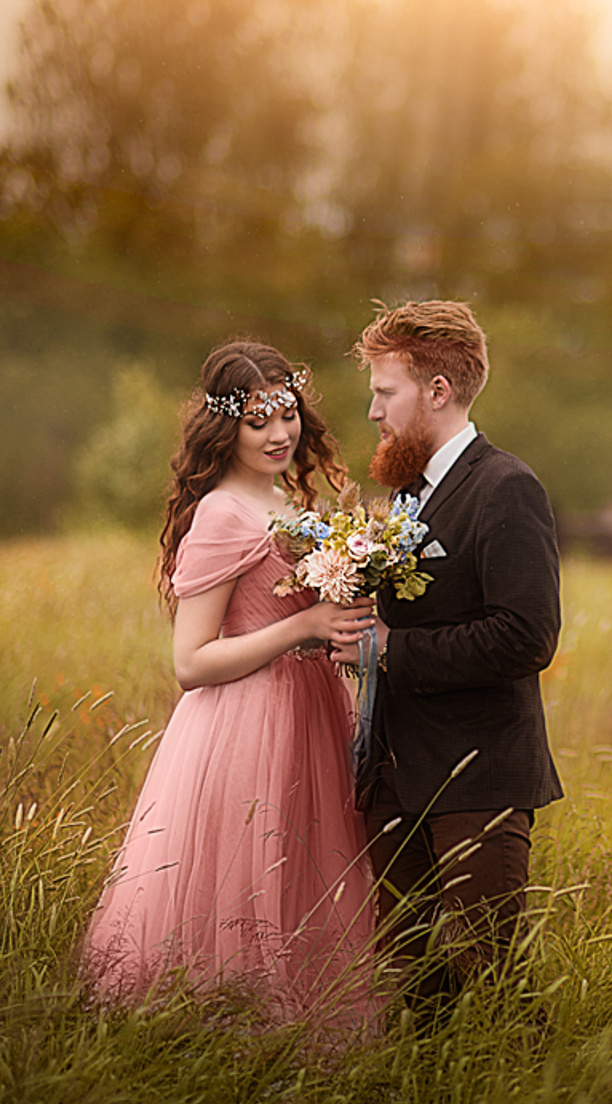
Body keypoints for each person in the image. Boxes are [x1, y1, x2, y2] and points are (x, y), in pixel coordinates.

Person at [81, 339, 379, 1033]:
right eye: (258, 420)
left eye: (288, 414)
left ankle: (307, 1034)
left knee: (305, 872)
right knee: (245, 878)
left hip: (308, 711)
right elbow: (192, 661)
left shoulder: (284, 500)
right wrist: (304, 623)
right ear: (226, 427)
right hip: (247, 720)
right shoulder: (220, 514)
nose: (280, 433)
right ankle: (226, 1029)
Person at [339, 300, 562, 1017]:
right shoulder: (405, 494)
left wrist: (394, 650)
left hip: (476, 779)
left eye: (384, 391)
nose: (373, 411)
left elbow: (528, 636)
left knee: (494, 988)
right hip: (395, 776)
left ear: (437, 391)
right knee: (416, 990)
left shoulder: (506, 488)